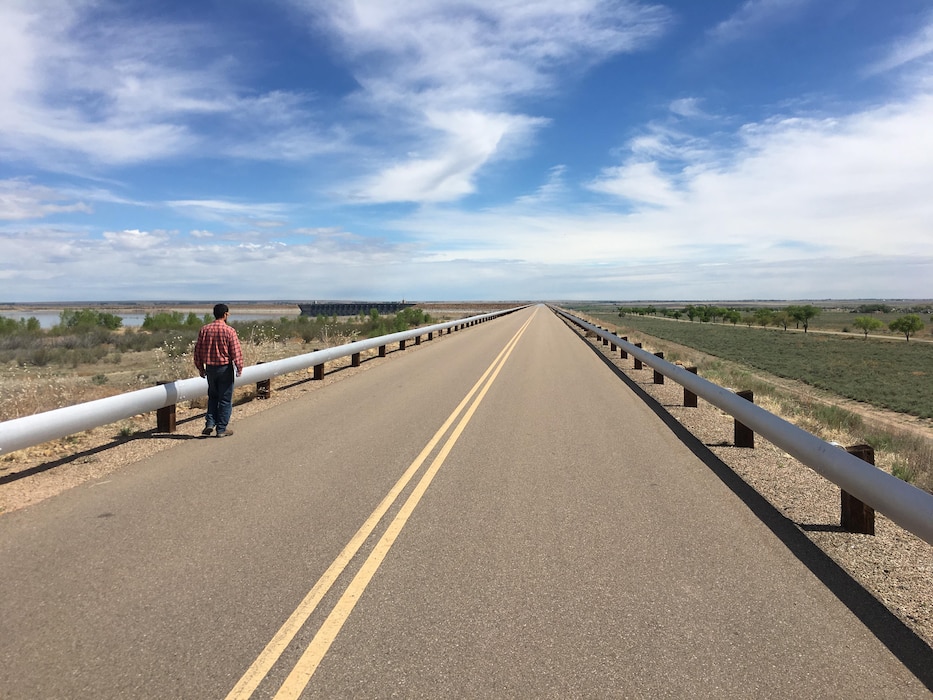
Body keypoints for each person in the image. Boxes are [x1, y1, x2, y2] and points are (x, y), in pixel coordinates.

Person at [194, 303, 244, 438]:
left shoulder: (204, 330)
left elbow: (197, 351)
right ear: (226, 314)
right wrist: (239, 368)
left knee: (213, 397)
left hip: (210, 369)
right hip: (224, 369)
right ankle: (221, 428)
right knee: (225, 399)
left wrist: (200, 367)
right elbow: (236, 352)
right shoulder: (229, 331)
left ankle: (210, 423)